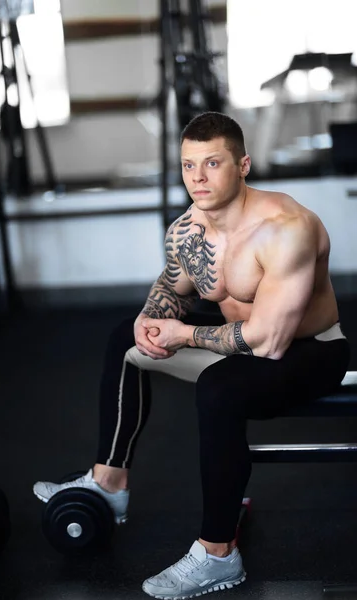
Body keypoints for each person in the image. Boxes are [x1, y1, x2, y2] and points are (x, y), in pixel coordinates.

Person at [33, 112, 350, 599]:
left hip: (308, 353)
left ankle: (218, 554)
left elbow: (269, 342)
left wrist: (182, 335)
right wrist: (150, 318)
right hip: (242, 346)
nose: (197, 178)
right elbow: (173, 286)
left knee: (219, 389)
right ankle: (108, 484)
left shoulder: (288, 228)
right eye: (187, 166)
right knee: (125, 339)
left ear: (243, 165)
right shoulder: (187, 229)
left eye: (212, 163)